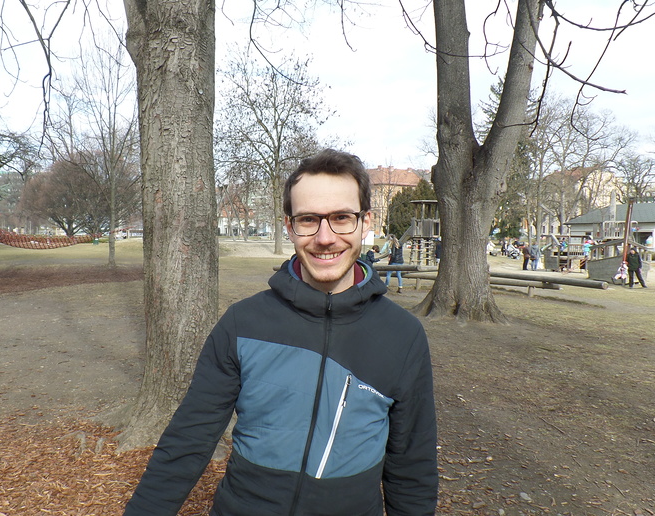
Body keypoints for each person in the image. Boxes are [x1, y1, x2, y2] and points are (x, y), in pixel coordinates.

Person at [123, 149, 438, 516]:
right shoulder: (243, 324)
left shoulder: (403, 336)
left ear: (365, 221)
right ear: (289, 226)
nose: (325, 237)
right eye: (308, 219)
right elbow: (187, 440)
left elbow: (412, 468)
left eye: (341, 218)